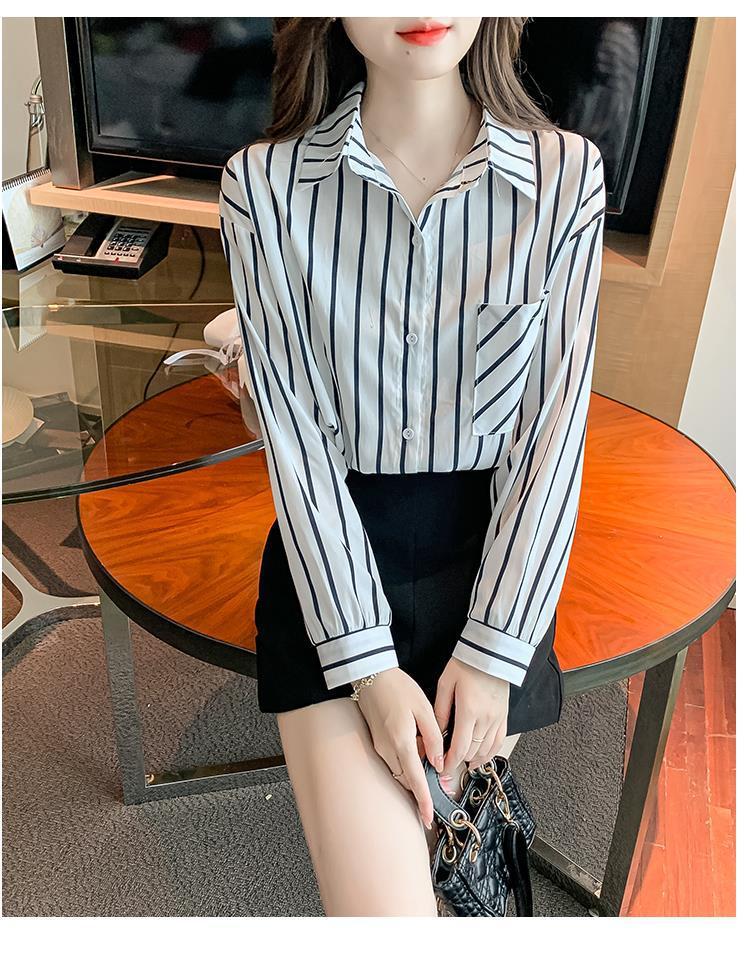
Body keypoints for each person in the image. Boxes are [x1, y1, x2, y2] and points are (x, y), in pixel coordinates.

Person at [218, 17, 605, 916]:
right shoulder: (262, 188)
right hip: (334, 560)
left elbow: (552, 437)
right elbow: (296, 446)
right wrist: (367, 668)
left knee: (451, 870)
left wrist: (495, 652)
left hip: (489, 571)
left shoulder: (564, 178)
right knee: (387, 914)